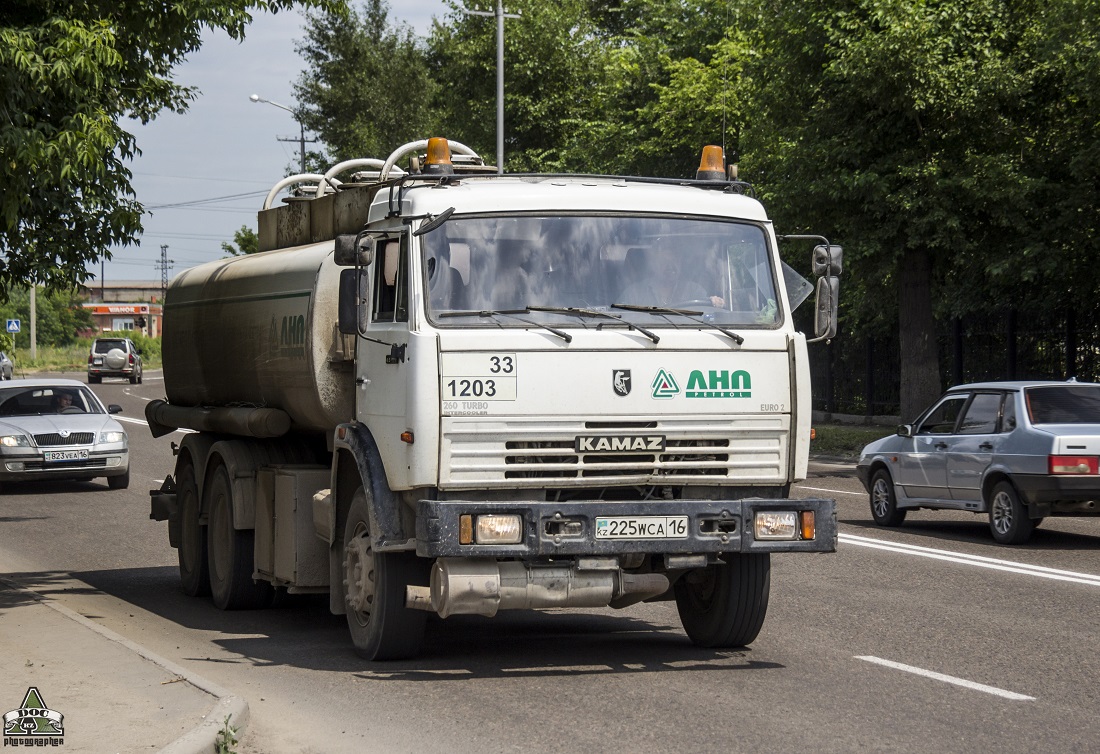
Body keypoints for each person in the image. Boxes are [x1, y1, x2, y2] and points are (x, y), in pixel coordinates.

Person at [617, 247, 724, 308]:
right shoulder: (633, 294)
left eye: (675, 261)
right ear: (653, 265)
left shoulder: (695, 291)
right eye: (664, 262)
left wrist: (715, 303)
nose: (670, 266)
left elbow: (708, 319)